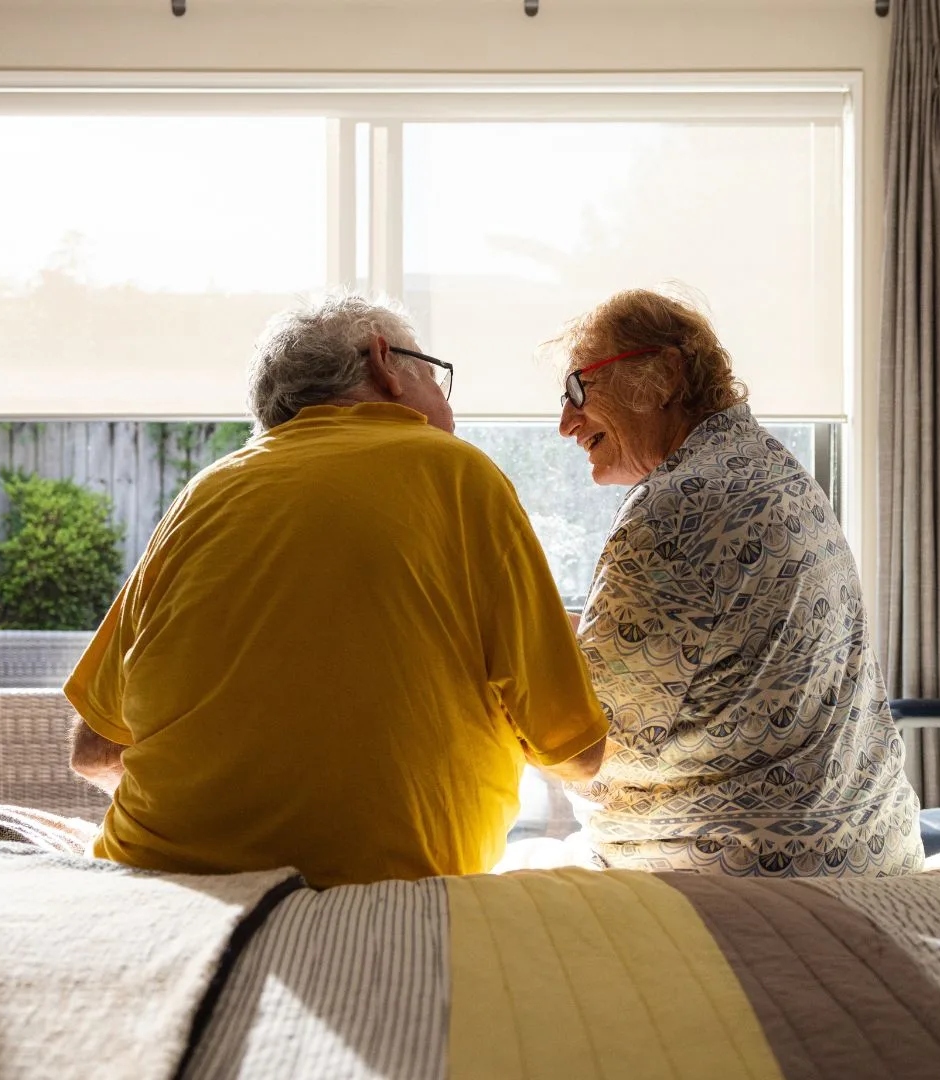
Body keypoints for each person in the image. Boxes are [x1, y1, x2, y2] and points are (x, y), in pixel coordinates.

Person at [65, 293, 606, 887]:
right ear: (384, 362)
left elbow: (93, 753)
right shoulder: (458, 474)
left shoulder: (205, 494)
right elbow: (576, 753)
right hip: (389, 887)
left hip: (157, 882)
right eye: (436, 376)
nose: (449, 408)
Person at [546, 287, 922, 877]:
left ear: (664, 374)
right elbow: (675, 650)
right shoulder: (767, 467)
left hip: (756, 875)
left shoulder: (674, 508)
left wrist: (475, 664)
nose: (565, 423)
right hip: (872, 853)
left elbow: (583, 744)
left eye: (577, 389)